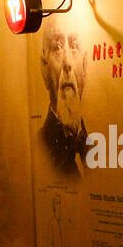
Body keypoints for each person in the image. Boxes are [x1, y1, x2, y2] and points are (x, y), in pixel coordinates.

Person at [37, 23, 89, 179]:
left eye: (74, 46)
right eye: (57, 47)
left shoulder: (98, 152)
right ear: (44, 69)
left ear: (85, 67)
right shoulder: (39, 150)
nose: (67, 63)